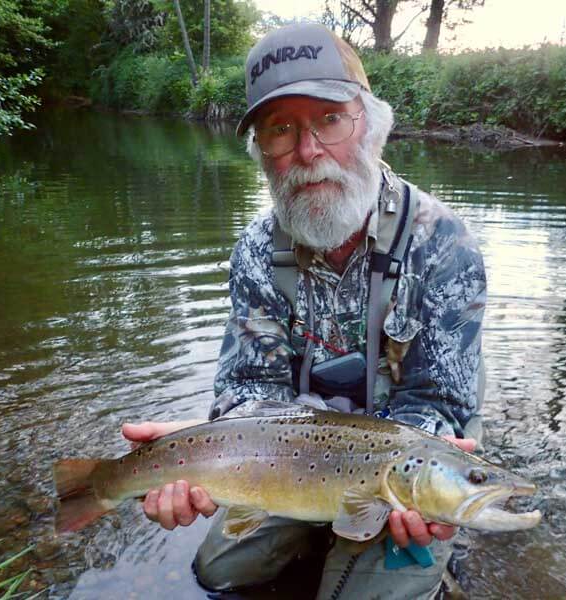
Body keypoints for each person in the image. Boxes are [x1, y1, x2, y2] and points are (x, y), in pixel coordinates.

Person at [122, 22, 486, 599]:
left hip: (396, 470)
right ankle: (318, 527)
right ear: (260, 150)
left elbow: (440, 402)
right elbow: (247, 386)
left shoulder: (442, 243)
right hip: (288, 461)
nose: (309, 151)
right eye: (281, 129)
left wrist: (405, 490)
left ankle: (433, 556)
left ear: (371, 125)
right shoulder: (256, 252)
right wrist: (208, 447)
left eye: (330, 119)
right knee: (220, 573)